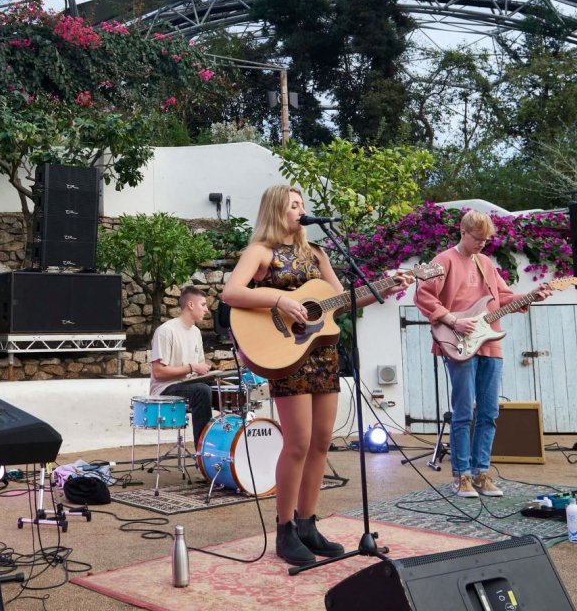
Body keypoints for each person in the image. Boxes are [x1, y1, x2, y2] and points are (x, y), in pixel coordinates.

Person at [222, 185, 412, 566]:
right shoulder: (261, 252)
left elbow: (345, 300)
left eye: (303, 204)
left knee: (323, 441)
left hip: (321, 352)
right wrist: (280, 299)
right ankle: (285, 528)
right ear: (276, 210)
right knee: (298, 442)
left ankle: (308, 524)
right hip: (285, 353)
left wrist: (387, 285)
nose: (301, 210)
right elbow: (231, 293)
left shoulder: (317, 253)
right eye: (294, 205)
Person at [414, 210, 551, 500]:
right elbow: (423, 295)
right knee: (463, 412)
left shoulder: (485, 262)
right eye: (478, 239)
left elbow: (501, 297)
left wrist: (530, 296)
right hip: (458, 341)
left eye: (486, 240)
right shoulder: (443, 260)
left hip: (490, 343)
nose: (482, 244)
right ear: (463, 232)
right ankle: (461, 476)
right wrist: (452, 320)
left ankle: (481, 473)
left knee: (489, 412)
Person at [149, 286, 213, 449]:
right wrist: (192, 367)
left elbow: (196, 371)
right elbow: (158, 373)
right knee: (202, 391)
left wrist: (207, 372)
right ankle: (202, 452)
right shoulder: (166, 331)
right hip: (165, 388)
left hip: (189, 384)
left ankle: (227, 448)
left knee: (224, 388)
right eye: (203, 304)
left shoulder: (196, 332)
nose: (206, 309)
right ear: (191, 305)